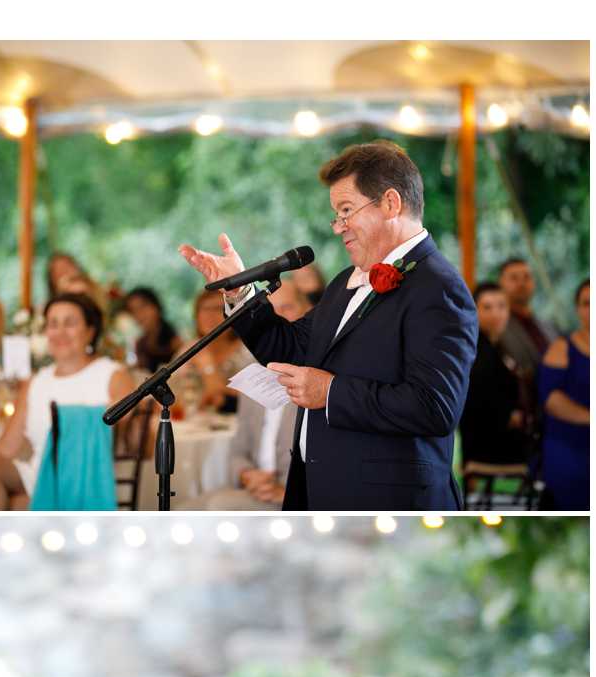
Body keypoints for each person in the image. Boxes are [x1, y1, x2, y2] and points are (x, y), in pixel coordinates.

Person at [180, 138, 476, 511]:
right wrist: (240, 291)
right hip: (317, 491)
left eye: (347, 210)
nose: (339, 227)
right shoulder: (344, 283)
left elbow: (435, 406)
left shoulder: (439, 287)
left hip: (387, 501)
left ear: (390, 203)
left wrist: (331, 392)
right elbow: (289, 348)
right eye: (337, 215)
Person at [0, 292, 133, 510]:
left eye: (70, 323)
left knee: (14, 502)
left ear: (90, 331)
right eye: (53, 324)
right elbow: (5, 449)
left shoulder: (111, 375)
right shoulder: (36, 382)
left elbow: (128, 427)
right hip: (39, 475)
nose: (60, 332)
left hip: (87, 476)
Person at [226, 280, 305, 506]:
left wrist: (287, 491)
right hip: (254, 489)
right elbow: (236, 451)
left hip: (294, 496)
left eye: (287, 308)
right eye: (271, 309)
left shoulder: (315, 381)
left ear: (307, 313)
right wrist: (247, 474)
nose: (277, 318)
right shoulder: (252, 376)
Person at [460, 282, 532, 468]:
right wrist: (512, 415)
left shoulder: (496, 345)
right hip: (486, 441)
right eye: (487, 307)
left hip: (499, 433)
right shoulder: (476, 349)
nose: (496, 314)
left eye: (501, 306)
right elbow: (481, 401)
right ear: (474, 310)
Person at [538, 279, 589, 510]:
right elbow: (551, 400)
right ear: (578, 309)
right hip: (571, 447)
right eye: (587, 303)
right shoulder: (562, 347)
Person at [179, 288, 252, 414]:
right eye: (205, 309)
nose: (210, 316)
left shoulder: (248, 350)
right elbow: (173, 392)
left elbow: (237, 399)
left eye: (218, 309)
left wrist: (207, 366)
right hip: (194, 424)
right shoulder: (189, 348)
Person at [497, 258, 558, 389]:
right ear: (501, 283)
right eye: (514, 278)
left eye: (527, 277)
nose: (521, 283)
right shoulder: (497, 327)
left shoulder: (548, 326)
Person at [124, 286, 180, 372]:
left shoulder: (175, 341)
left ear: (155, 307)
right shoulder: (140, 343)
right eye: (133, 311)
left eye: (142, 307)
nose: (139, 315)